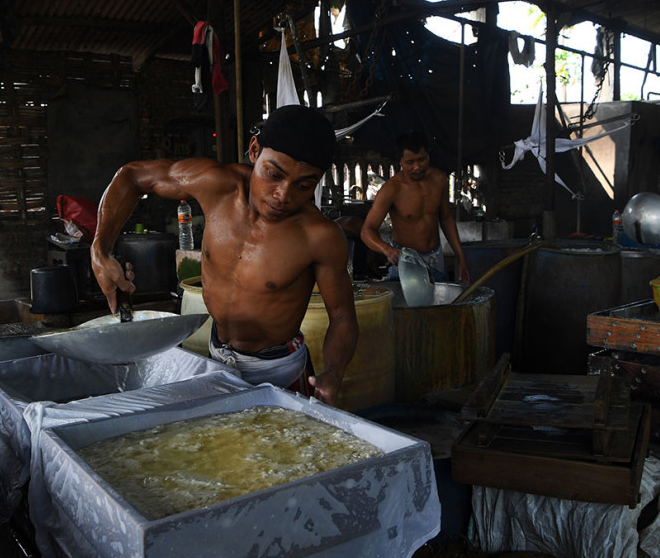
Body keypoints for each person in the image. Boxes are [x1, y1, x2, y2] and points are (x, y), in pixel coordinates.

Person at [90, 105, 359, 405]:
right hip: (216, 357)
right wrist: (99, 249)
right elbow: (132, 176)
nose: (283, 195)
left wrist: (334, 373)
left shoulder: (319, 236)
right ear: (254, 150)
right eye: (273, 174)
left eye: (304, 185)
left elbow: (342, 316)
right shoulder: (214, 184)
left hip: (280, 371)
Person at [360, 131, 471, 283]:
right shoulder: (391, 189)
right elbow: (366, 231)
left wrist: (461, 257)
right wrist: (388, 250)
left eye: (422, 160)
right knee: (405, 305)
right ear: (400, 161)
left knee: (440, 303)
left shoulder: (439, 179)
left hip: (435, 259)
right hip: (405, 262)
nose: (417, 167)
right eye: (410, 162)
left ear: (429, 156)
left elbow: (446, 219)